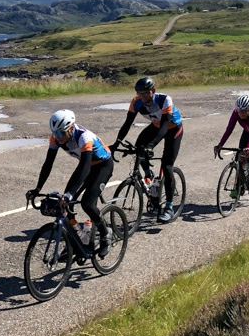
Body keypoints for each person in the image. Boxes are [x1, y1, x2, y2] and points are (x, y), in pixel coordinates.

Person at [27, 109, 114, 257]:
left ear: (71, 128)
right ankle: (80, 240)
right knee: (65, 205)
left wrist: (69, 193)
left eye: (61, 133)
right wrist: (37, 188)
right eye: (55, 133)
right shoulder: (55, 138)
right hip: (86, 166)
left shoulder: (84, 137)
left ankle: (106, 234)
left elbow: (84, 167)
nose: (57, 137)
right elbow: (48, 163)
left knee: (87, 204)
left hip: (102, 166)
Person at [113, 76, 184, 223]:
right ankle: (148, 176)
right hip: (156, 126)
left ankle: (169, 207)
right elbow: (127, 123)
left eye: (146, 93)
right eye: (140, 93)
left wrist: (151, 146)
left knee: (167, 166)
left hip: (172, 128)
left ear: (153, 91)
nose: (142, 96)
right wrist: (116, 143)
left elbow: (165, 126)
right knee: (139, 147)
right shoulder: (136, 102)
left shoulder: (164, 100)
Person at [214, 95, 249, 195]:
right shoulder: (236, 113)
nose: (241, 113)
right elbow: (229, 130)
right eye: (239, 110)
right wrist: (220, 145)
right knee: (239, 158)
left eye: (244, 111)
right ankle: (238, 187)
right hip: (247, 131)